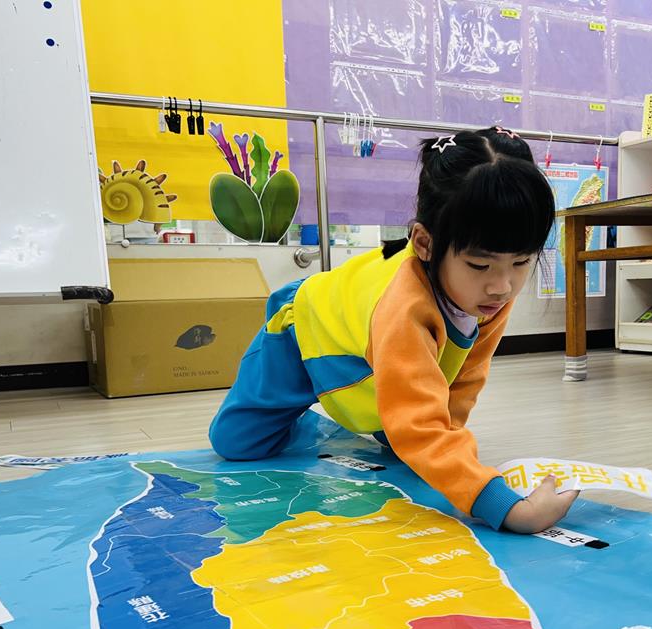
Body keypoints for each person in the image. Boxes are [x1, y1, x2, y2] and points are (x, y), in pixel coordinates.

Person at [209, 126, 578, 533]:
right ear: (424, 243)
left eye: (522, 261)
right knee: (236, 442)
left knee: (413, 442)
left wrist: (450, 448)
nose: (502, 286)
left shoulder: (488, 294)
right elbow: (419, 426)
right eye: (480, 264)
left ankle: (386, 418)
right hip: (303, 333)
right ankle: (302, 418)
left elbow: (465, 377)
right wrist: (510, 510)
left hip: (371, 359)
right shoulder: (405, 305)